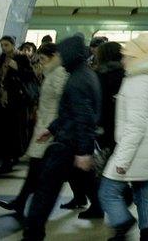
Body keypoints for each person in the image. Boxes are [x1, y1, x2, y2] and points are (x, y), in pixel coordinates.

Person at [23, 35, 102, 241]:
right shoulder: (84, 75)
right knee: (54, 189)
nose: (58, 56)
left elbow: (83, 117)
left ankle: (32, 233)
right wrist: (51, 128)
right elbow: (71, 113)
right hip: (70, 142)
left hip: (68, 145)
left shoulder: (76, 81)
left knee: (45, 192)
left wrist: (84, 151)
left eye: (60, 53)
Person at [98, 36, 148, 241]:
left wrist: (122, 160)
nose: (123, 61)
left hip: (136, 148)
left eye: (126, 56)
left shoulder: (138, 82)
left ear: (136, 57)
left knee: (107, 192)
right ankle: (147, 238)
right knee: (144, 195)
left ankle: (123, 222)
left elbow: (135, 126)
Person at [0, 43, 70, 217]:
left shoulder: (59, 74)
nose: (42, 62)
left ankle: (25, 205)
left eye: (44, 59)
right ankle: (20, 202)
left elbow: (64, 102)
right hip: (45, 126)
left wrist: (54, 126)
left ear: (54, 57)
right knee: (35, 170)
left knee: (39, 170)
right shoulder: (52, 73)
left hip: (50, 130)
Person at [66, 41, 124, 219]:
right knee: (109, 170)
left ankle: (102, 207)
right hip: (120, 130)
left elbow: (93, 105)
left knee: (91, 171)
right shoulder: (126, 75)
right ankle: (112, 202)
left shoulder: (98, 76)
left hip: (101, 130)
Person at [0, 35, 38, 175]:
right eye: (2, 45)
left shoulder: (21, 58)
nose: (4, 48)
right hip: (4, 101)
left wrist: (17, 68)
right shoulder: (1, 59)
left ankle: (10, 159)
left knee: (14, 131)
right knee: (5, 131)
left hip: (17, 101)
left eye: (6, 45)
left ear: (13, 44)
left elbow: (31, 77)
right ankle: (8, 159)